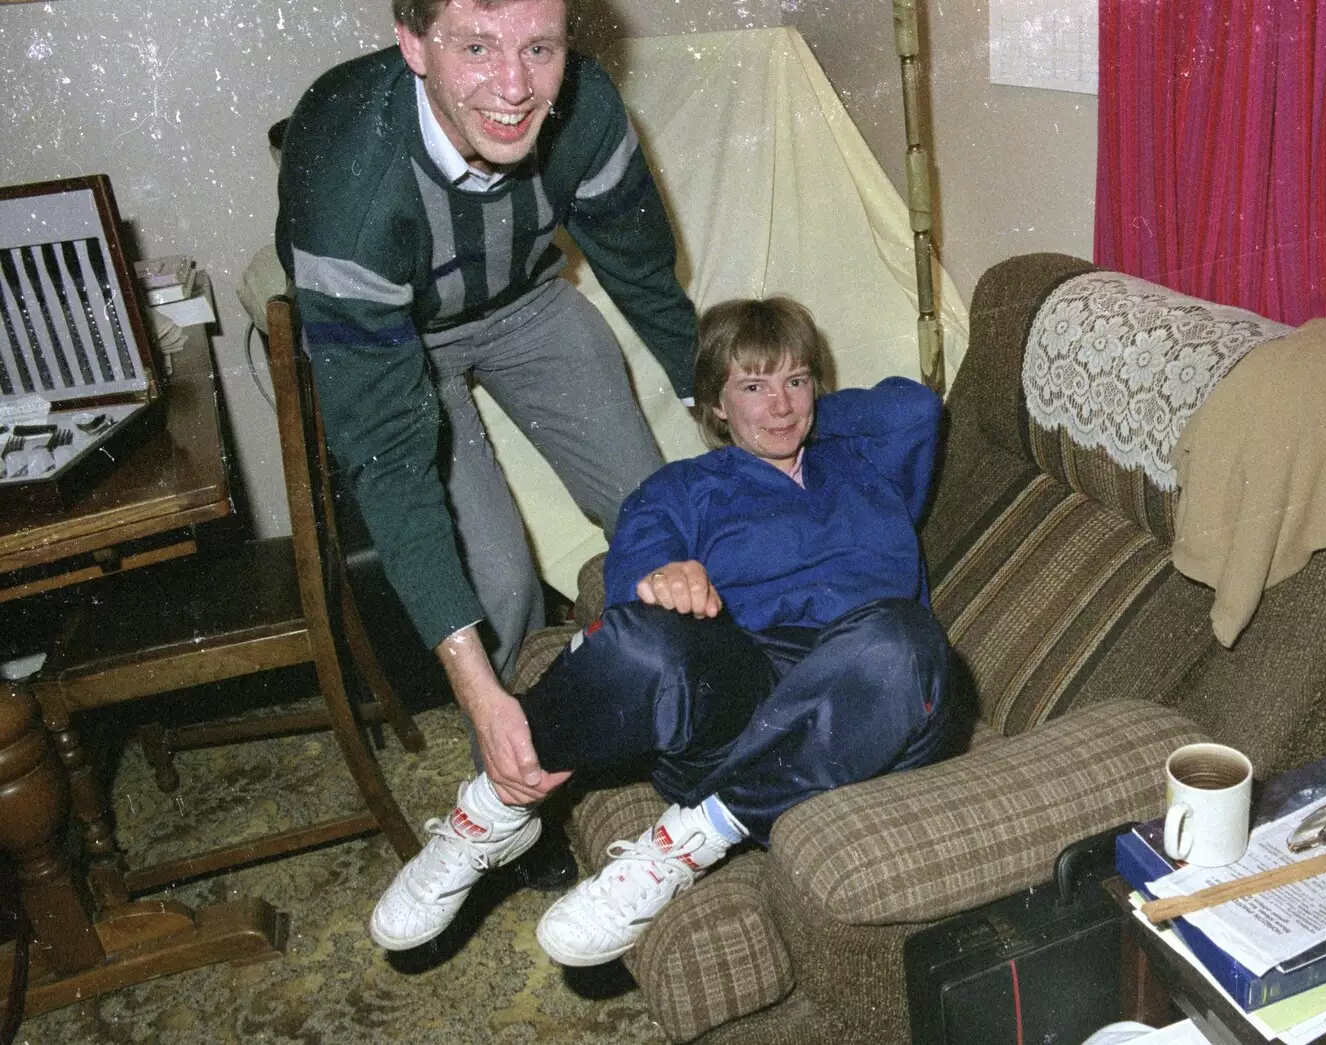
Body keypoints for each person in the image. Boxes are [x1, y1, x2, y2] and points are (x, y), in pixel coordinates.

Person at [368, 296, 963, 965]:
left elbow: (911, 408)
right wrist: (665, 579)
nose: (781, 405)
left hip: (879, 699)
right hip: (747, 697)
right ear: (712, 403)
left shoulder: (867, 467)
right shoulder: (682, 488)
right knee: (642, 640)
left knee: (902, 638)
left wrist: (806, 412)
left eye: (796, 381)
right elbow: (632, 585)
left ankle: (685, 841)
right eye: (753, 387)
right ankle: (489, 812)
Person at [275, 0, 694, 821]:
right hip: (401, 340)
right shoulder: (346, 181)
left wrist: (713, 388)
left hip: (526, 302)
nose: (514, 85)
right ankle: (508, 806)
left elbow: (642, 269)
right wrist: (473, 683)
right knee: (495, 583)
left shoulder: (587, 104)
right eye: (476, 46)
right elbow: (392, 462)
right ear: (413, 45)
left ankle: (674, 726)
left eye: (540, 47)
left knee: (660, 518)